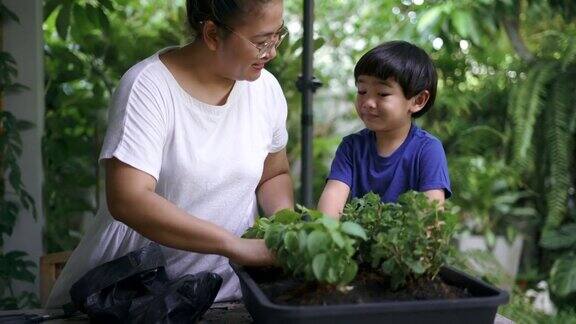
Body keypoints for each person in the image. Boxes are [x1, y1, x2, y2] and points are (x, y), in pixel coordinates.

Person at [47, 0, 293, 307]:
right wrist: (233, 246)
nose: (272, 52)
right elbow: (128, 199)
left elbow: (274, 173)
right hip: (133, 295)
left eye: (277, 35)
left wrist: (285, 230)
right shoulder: (148, 87)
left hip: (224, 296)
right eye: (261, 42)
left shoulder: (265, 89)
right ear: (213, 34)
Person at [317, 40, 451, 218]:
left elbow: (430, 222)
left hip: (405, 246)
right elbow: (330, 208)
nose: (368, 103)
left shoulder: (428, 150)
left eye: (382, 94)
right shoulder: (351, 147)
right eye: (362, 91)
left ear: (418, 101)